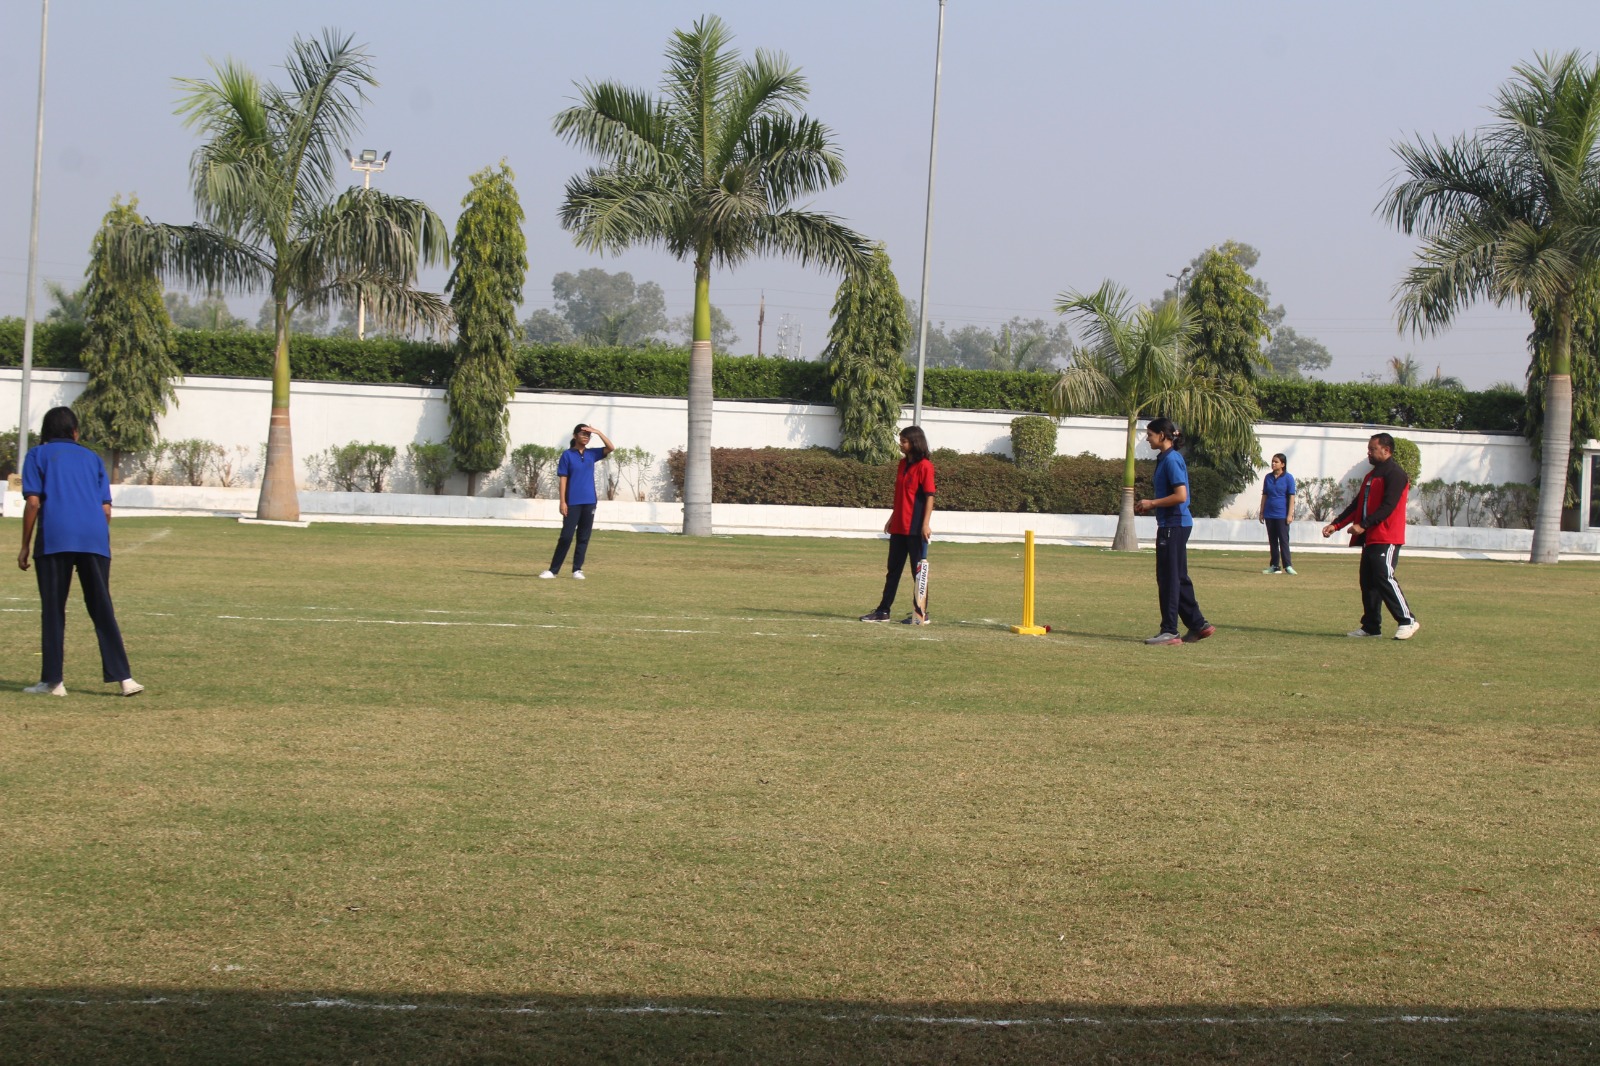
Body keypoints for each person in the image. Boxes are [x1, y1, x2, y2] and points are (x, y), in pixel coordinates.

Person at [16, 406, 143, 697]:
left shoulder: (37, 455)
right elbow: (106, 509)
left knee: (53, 608)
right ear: (75, 432)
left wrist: (24, 545)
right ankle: (125, 679)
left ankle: (53, 682)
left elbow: (33, 503)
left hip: (55, 537)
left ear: (45, 432)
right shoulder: (92, 458)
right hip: (94, 539)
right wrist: (94, 535)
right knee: (101, 607)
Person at [1322, 432, 1420, 640]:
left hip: (1387, 537)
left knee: (1384, 577)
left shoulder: (1396, 474)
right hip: (1371, 537)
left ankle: (1407, 620)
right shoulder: (1372, 475)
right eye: (1368, 449)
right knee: (1368, 582)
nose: (1369, 453)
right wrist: (1336, 525)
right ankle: (1371, 627)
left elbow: (1388, 506)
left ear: (1386, 450)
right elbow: (1357, 505)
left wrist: (1363, 525)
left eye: (1372, 449)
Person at [1133, 417, 1216, 646]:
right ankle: (1198, 624)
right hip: (1174, 524)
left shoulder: (1171, 460)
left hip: (1174, 525)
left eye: (1150, 435)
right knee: (1177, 576)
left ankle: (1169, 630)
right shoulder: (1166, 458)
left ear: (1162, 435)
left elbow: (1181, 496)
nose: (1147, 439)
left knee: (1168, 578)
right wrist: (1152, 505)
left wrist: (1152, 503)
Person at [859, 426, 936, 625]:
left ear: (914, 442)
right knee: (893, 571)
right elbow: (902, 496)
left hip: (915, 528)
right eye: (901, 440)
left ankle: (921, 613)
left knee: (918, 573)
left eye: (904, 441)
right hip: (899, 527)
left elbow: (929, 496)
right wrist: (892, 518)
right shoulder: (902, 464)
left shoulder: (925, 466)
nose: (900, 444)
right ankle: (883, 611)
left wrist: (925, 524)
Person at [540, 422, 614, 580]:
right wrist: (562, 502)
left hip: (590, 501)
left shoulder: (592, 454)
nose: (586, 437)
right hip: (572, 502)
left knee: (583, 537)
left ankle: (577, 570)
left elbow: (611, 447)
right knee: (566, 536)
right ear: (575, 436)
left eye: (588, 435)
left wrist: (598, 432)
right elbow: (563, 479)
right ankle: (553, 570)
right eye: (583, 434)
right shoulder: (567, 455)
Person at [1259, 452, 1298, 574]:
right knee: (1273, 541)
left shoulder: (1288, 478)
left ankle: (1288, 566)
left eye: (1276, 462)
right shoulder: (1268, 477)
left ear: (1283, 464)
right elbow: (1265, 495)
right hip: (1269, 514)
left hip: (1282, 514)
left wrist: (1290, 514)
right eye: (1272, 461)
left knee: (1284, 540)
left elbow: (1291, 497)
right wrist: (1261, 512)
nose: (1273, 464)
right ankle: (1275, 565)